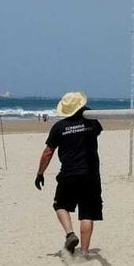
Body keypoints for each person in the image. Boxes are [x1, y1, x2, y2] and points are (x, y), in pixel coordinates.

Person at [36, 91, 103, 255]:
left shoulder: (59, 127)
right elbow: (97, 130)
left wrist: (40, 173)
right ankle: (85, 251)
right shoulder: (91, 122)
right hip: (90, 174)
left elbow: (48, 152)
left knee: (60, 205)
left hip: (69, 173)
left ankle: (70, 233)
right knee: (87, 213)